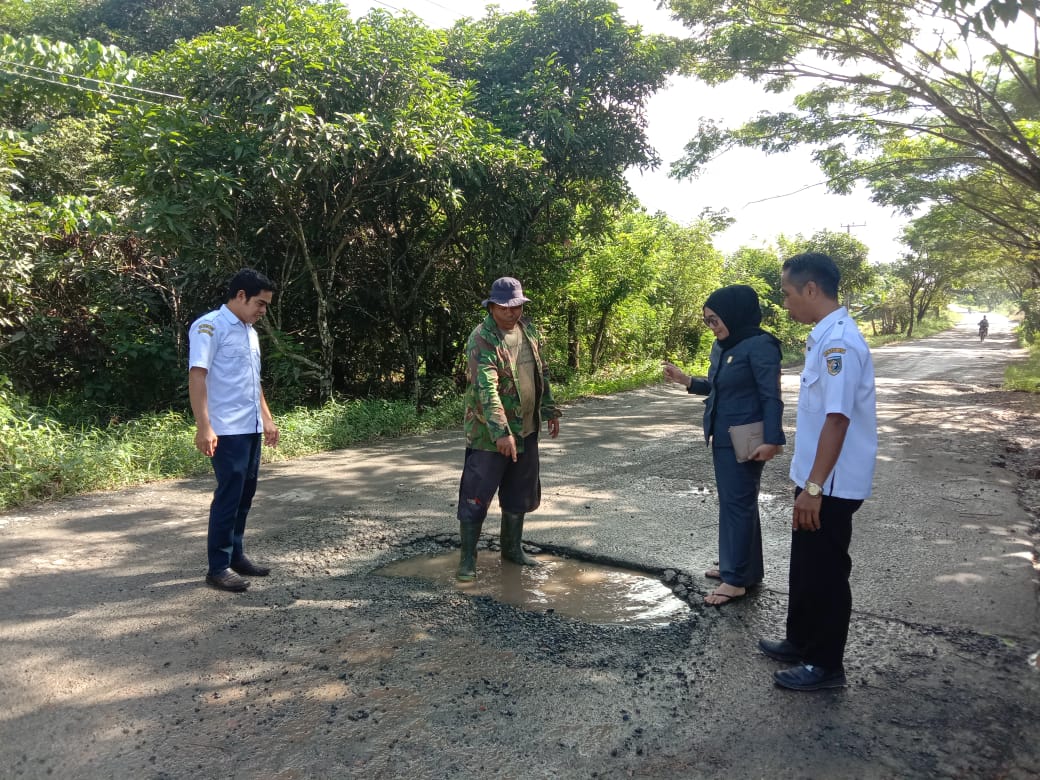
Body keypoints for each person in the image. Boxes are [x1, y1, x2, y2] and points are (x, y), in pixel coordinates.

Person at [758, 252, 877, 691]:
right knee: (805, 563)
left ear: (811, 290)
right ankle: (800, 640)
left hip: (829, 483)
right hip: (814, 479)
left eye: (788, 294)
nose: (786, 304)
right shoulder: (822, 337)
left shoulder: (840, 344)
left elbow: (838, 419)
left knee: (826, 571)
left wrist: (814, 488)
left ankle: (826, 664)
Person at [662, 285, 785, 606]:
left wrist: (773, 439)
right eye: (707, 322)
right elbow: (717, 387)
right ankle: (742, 567)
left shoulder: (760, 346)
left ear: (734, 314)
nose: (712, 327)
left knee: (738, 505)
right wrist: (686, 380)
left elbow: (771, 397)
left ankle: (736, 580)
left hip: (747, 438)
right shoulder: (724, 346)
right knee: (736, 503)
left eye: (715, 320)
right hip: (721, 436)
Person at [456, 277, 562, 581]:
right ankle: (467, 559)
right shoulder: (482, 338)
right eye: (505, 307)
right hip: (490, 436)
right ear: (491, 306)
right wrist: (501, 431)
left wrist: (549, 408)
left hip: (526, 429)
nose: (512, 312)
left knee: (519, 492)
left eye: (517, 305)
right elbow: (485, 389)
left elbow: (540, 372)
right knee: (477, 494)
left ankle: (512, 548)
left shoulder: (527, 331)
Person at [188, 269, 280, 593]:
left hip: (250, 426)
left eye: (266, 305)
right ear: (240, 295)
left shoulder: (249, 331)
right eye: (260, 303)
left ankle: (236, 554)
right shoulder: (209, 327)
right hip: (226, 430)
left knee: (245, 495)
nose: (263, 311)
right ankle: (218, 567)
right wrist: (204, 427)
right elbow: (197, 376)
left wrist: (266, 418)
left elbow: (253, 381)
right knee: (229, 495)